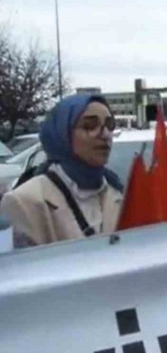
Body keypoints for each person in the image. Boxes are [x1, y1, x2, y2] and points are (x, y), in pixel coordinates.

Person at [0, 95, 123, 247]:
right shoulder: (23, 202)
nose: (105, 135)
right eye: (89, 126)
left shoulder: (118, 192)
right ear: (62, 135)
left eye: (110, 125)